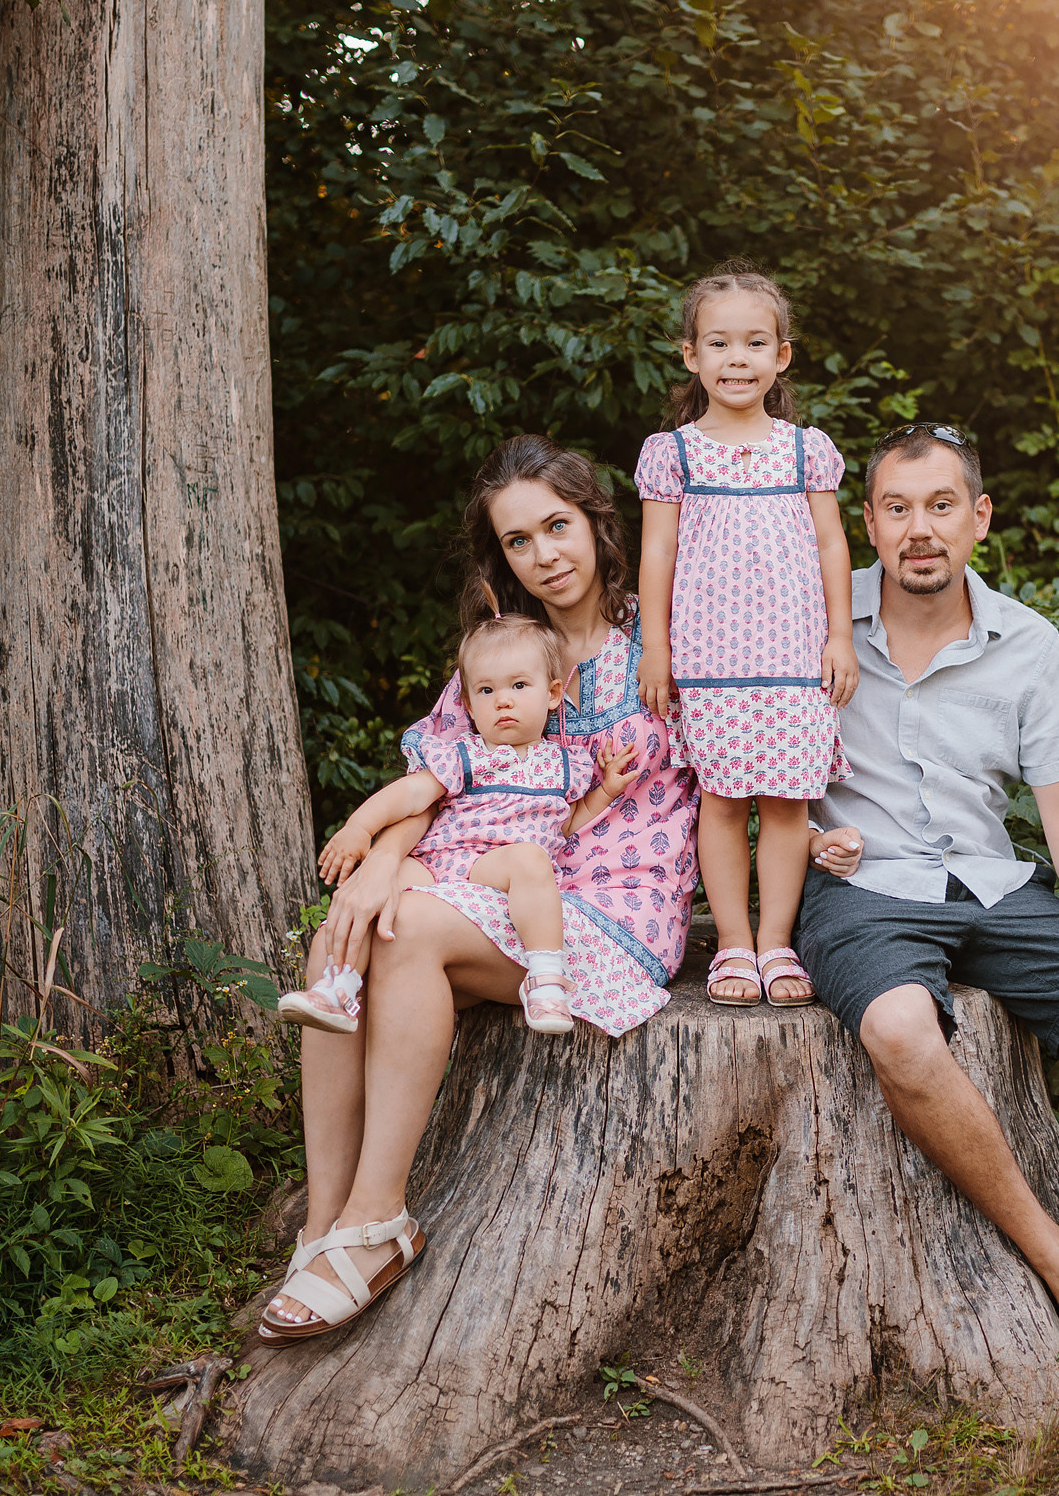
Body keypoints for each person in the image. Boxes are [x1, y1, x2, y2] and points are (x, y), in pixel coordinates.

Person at [796, 422, 1059, 1391]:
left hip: (989, 885)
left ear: (979, 519)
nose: (920, 530)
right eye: (898, 508)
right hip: (861, 890)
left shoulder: (1028, 644)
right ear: (866, 522)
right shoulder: (816, 624)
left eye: (941, 506)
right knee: (903, 1032)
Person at [258, 436, 697, 1342]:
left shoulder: (660, 641)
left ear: (596, 521)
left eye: (559, 525)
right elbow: (445, 782)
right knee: (352, 926)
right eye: (520, 541)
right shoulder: (502, 656)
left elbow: (738, 767)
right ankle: (322, 1223)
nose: (546, 554)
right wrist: (382, 860)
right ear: (501, 558)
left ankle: (380, 1218)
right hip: (486, 881)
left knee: (409, 928)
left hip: (610, 909)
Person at [635, 267, 857, 1008]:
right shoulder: (674, 453)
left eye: (755, 342)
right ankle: (732, 940)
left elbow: (832, 546)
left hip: (793, 658)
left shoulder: (805, 451)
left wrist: (840, 640)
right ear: (691, 355)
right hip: (708, 659)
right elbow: (657, 555)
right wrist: (658, 649)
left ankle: (776, 942)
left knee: (789, 803)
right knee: (724, 801)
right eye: (720, 341)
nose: (738, 357)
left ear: (781, 356)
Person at [275, 611, 643, 1036]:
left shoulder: (566, 764)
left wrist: (606, 791)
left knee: (531, 860)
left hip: (496, 868)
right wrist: (360, 827)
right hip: (441, 859)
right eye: (486, 690)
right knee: (380, 895)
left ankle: (545, 977)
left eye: (519, 686)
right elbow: (412, 793)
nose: (503, 700)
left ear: (553, 693)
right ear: (468, 704)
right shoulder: (465, 755)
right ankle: (339, 987)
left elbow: (567, 823)